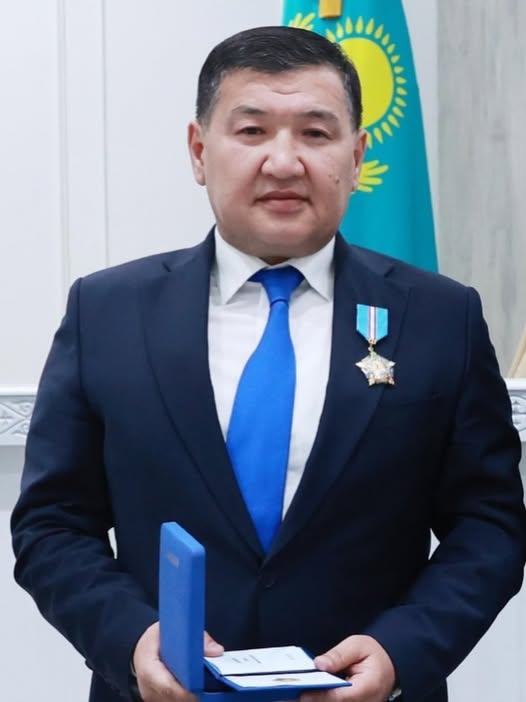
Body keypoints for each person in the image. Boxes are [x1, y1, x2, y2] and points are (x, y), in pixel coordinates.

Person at [11, 24, 526, 702]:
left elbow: (489, 526)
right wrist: (131, 640)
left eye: (315, 133)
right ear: (200, 151)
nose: (284, 162)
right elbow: (52, 524)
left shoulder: (440, 317)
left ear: (357, 156)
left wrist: (402, 651)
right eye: (252, 131)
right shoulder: (106, 313)